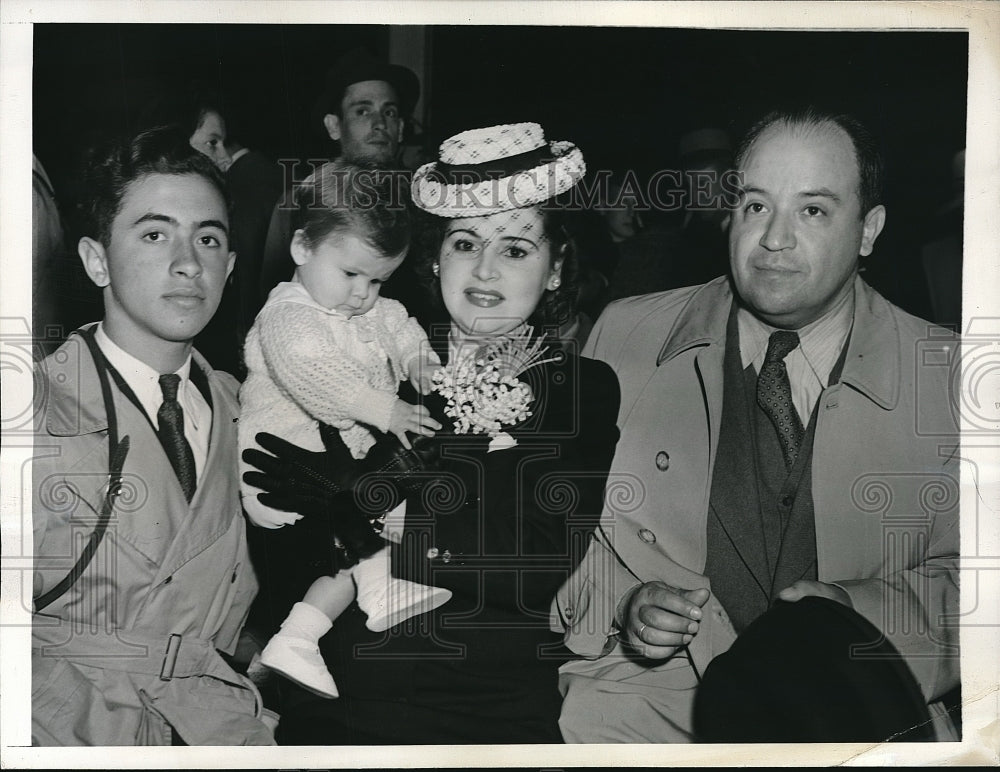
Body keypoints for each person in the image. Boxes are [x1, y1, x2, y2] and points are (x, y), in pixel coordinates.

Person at [556, 106, 960, 743]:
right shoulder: (623, 337)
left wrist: (859, 619)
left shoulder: (952, 377)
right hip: (649, 719)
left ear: (869, 230)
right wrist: (623, 606)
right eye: (755, 205)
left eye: (813, 211)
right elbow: (563, 536)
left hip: (852, 717)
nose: (774, 238)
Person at [242, 122, 621, 744]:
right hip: (332, 704)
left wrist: (371, 510)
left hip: (475, 708)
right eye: (466, 243)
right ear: (436, 257)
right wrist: (312, 523)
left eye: (516, 250)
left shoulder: (576, 388)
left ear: (555, 269)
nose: (485, 270)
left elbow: (535, 558)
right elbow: (286, 566)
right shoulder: (376, 361)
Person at [30, 126, 275, 745]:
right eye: (155, 233)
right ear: (95, 260)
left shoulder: (249, 410)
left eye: (209, 239)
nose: (188, 262)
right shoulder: (29, 411)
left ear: (231, 267)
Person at [239, 161, 449, 699]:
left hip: (338, 452)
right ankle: (324, 620)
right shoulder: (288, 315)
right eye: (352, 274)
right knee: (353, 530)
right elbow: (315, 375)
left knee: (368, 528)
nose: (363, 293)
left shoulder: (361, 304)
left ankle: (308, 632)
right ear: (303, 248)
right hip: (285, 454)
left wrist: (419, 360)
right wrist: (389, 410)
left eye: (377, 279)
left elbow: (399, 322)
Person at [259, 48, 420, 300]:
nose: (379, 124)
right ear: (334, 126)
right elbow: (272, 296)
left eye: (389, 112)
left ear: (400, 128)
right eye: (362, 111)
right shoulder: (301, 201)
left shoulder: (425, 198)